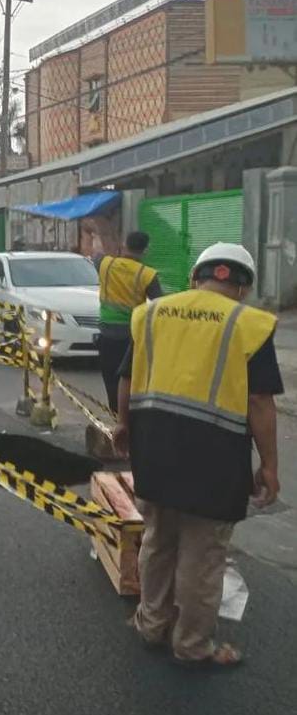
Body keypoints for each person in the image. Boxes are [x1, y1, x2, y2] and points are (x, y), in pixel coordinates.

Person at [113, 242, 282, 669]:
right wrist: (270, 466)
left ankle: (150, 624)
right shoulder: (249, 323)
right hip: (214, 458)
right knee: (202, 555)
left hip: (153, 449)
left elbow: (127, 378)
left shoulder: (152, 313)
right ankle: (191, 644)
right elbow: (259, 402)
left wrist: (122, 425)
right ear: (243, 289)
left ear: (195, 278)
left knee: (157, 540)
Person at [95, 232, 162, 412]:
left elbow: (99, 251)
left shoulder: (105, 264)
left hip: (107, 334)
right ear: (145, 250)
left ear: (124, 245)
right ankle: (130, 416)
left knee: (111, 379)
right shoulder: (148, 275)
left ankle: (115, 416)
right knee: (131, 379)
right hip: (132, 336)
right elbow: (158, 305)